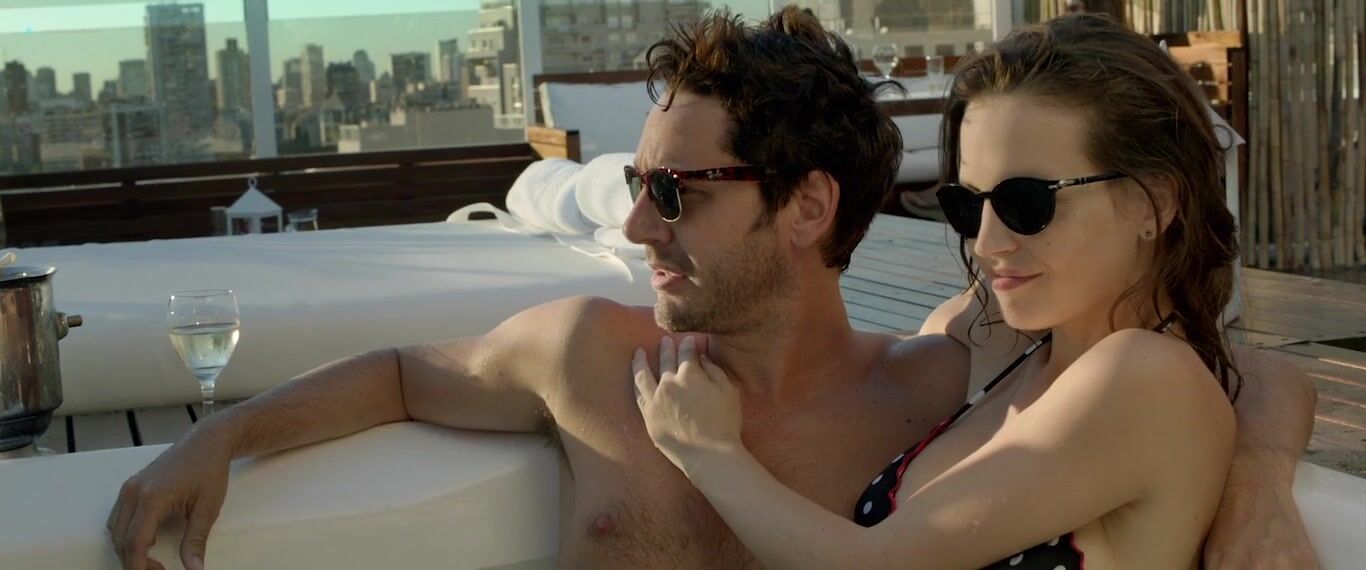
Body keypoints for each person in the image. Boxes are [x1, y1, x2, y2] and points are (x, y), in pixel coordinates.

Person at [108, 9, 1314, 570]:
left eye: (673, 191)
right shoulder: (589, 358)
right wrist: (218, 436)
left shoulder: (931, 385)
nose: (636, 223)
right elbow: (397, 375)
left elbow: (1200, 370)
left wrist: (1259, 479)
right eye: (966, 205)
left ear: (807, 207)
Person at [632, 13, 1315, 569]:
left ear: (1153, 203)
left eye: (1025, 203)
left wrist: (707, 451)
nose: (987, 243)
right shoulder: (1007, 342)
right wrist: (1259, 469)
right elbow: (1261, 373)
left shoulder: (1144, 377)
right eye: (968, 204)